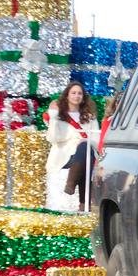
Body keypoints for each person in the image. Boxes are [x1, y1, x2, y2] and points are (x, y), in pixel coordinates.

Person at [45, 81, 99, 212]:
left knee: (85, 148)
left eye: (80, 93)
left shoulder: (89, 117)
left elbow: (97, 140)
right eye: (73, 93)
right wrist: (53, 118)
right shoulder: (58, 116)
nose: (77, 96)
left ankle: (71, 184)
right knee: (86, 154)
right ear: (67, 95)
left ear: (83, 97)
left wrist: (86, 142)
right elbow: (52, 138)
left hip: (85, 155)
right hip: (64, 157)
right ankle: (83, 202)